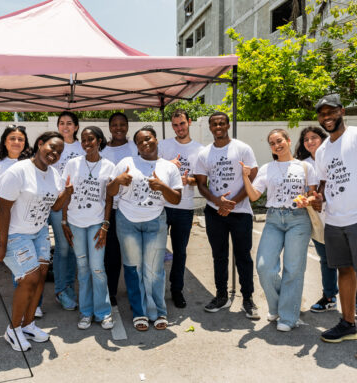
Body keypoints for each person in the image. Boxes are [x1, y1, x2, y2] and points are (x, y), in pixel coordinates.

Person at [313, 94, 357, 362]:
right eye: (321, 114)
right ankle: (348, 324)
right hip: (335, 221)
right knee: (345, 271)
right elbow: (324, 184)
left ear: (342, 111)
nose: (326, 117)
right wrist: (318, 199)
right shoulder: (322, 150)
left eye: (331, 112)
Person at [0, 131, 72, 351]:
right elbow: (4, 210)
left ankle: (28, 324)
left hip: (38, 231)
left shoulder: (54, 174)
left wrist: (67, 193)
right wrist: (2, 245)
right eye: (52, 147)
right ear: (40, 144)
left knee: (41, 275)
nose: (55, 153)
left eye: (60, 151)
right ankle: (13, 329)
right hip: (13, 232)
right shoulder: (18, 171)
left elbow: (53, 207)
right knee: (29, 278)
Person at [241, 129, 317, 331]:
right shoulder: (267, 168)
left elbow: (313, 194)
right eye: (272, 143)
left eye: (279, 140)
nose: (277, 145)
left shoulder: (305, 166)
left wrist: (306, 200)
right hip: (274, 219)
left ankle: (288, 317)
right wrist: (245, 177)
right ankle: (277, 306)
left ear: (288, 141)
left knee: (293, 269)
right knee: (264, 266)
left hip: (298, 219)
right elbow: (255, 196)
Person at [107, 126, 183, 331]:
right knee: (133, 268)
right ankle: (139, 311)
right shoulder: (126, 163)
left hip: (155, 221)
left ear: (156, 140)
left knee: (154, 270)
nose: (145, 144)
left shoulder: (169, 167)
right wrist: (118, 180)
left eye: (148, 139)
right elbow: (111, 191)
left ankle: (158, 311)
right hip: (127, 221)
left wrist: (162, 187)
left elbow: (176, 199)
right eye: (140, 142)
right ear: (136, 146)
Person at [295, 127, 357, 324]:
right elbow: (304, 191)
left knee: (353, 264)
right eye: (306, 139)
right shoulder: (302, 165)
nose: (310, 142)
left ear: (323, 139)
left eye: (314, 137)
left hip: (342, 218)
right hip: (319, 221)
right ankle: (329, 297)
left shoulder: (334, 158)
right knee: (326, 260)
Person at [195, 112, 259, 319]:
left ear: (228, 125)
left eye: (222, 123)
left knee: (243, 256)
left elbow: (253, 176)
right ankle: (221, 296)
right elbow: (201, 185)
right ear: (210, 128)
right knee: (219, 256)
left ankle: (247, 298)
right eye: (214, 124)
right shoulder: (205, 154)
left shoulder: (242, 148)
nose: (218, 126)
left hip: (240, 212)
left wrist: (232, 203)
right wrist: (217, 202)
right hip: (215, 214)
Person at [0, 125, 45, 318]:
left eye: (20, 139)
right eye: (12, 138)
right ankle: (24, 305)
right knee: (22, 271)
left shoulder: (33, 163)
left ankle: (35, 305)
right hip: (10, 227)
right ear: (5, 142)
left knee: (38, 268)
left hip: (33, 223)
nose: (16, 142)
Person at [61, 126, 115, 330]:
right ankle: (86, 312)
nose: (86, 143)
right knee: (83, 269)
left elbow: (109, 199)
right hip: (75, 223)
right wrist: (64, 221)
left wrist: (105, 225)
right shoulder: (73, 164)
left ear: (99, 141)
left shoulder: (109, 166)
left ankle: (103, 312)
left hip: (96, 223)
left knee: (97, 268)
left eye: (91, 139)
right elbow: (66, 194)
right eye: (83, 140)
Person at [158, 109, 203, 308]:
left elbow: (201, 180)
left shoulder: (200, 149)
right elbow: (150, 167)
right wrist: (168, 165)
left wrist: (188, 180)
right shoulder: (164, 145)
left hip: (185, 207)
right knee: (157, 250)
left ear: (189, 122)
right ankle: (156, 289)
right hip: (162, 205)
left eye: (182, 124)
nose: (179, 128)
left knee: (180, 251)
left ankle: (177, 290)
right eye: (175, 125)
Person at [49, 111, 85, 310]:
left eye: (69, 123)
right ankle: (61, 290)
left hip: (78, 206)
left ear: (76, 127)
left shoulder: (83, 146)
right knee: (62, 248)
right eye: (61, 123)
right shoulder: (53, 146)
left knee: (72, 248)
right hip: (57, 204)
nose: (65, 126)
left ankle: (69, 287)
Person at [101, 112, 138, 306]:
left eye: (122, 124)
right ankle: (111, 291)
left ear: (127, 126)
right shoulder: (103, 150)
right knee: (112, 254)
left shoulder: (135, 147)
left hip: (132, 208)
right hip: (111, 208)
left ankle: (136, 294)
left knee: (132, 254)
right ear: (109, 127)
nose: (118, 128)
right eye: (114, 125)